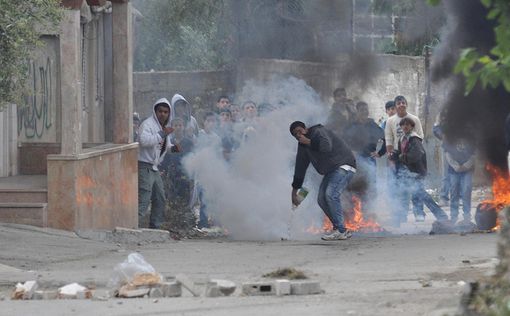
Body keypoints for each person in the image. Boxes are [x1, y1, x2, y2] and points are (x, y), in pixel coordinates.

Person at [290, 121, 357, 241]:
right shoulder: (302, 146)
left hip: (343, 165)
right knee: (321, 199)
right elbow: (300, 167)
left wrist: (309, 142)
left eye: (300, 131)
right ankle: (340, 229)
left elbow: (326, 146)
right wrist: (295, 190)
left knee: (330, 195)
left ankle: (340, 230)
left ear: (305, 128)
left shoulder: (317, 131)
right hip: (331, 171)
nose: (299, 135)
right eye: (296, 134)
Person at [391, 118, 448, 222]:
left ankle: (440, 215)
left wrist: (400, 157)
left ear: (412, 127)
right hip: (407, 172)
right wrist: (395, 155)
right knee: (409, 193)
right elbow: (401, 152)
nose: (405, 127)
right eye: (403, 125)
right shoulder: (402, 139)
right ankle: (408, 217)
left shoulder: (415, 139)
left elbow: (416, 155)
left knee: (421, 194)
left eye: (407, 125)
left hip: (416, 172)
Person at [138, 98, 179, 229]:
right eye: (160, 111)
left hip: (154, 168)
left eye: (166, 112)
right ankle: (133, 226)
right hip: (144, 166)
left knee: (160, 198)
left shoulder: (162, 128)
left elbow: (162, 146)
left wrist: (173, 148)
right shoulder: (147, 124)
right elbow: (144, 141)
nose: (163, 114)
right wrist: (162, 134)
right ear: (155, 112)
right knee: (144, 197)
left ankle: (155, 226)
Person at [384, 95, 425, 223]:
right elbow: (389, 140)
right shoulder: (390, 121)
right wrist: (391, 159)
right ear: (395, 106)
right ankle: (402, 215)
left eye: (403, 102)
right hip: (399, 160)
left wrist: (413, 155)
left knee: (417, 186)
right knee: (401, 188)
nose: (401, 105)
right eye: (398, 103)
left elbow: (420, 137)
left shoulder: (415, 119)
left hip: (414, 160)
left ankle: (419, 213)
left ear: (406, 104)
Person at [343, 101, 386, 203]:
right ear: (357, 111)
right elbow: (342, 141)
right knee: (354, 184)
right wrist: (350, 151)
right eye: (362, 110)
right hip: (353, 160)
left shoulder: (373, 125)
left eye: (366, 109)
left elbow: (386, 139)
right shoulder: (351, 126)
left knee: (370, 185)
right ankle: (354, 209)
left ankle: (369, 209)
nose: (365, 112)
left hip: (369, 159)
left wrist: (380, 153)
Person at [160, 117, 195, 232]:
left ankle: (185, 226)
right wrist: (163, 170)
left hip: (185, 177)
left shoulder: (188, 143)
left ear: (184, 127)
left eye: (180, 125)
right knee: (171, 201)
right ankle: (173, 227)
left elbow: (194, 158)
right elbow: (165, 158)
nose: (178, 128)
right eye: (175, 125)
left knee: (185, 202)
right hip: (171, 177)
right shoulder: (169, 142)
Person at [443, 135, 476, 224]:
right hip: (454, 171)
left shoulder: (471, 138)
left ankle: (467, 217)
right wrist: (456, 166)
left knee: (466, 191)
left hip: (468, 170)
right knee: (454, 192)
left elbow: (474, 155)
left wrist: (466, 166)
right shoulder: (450, 137)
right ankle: (453, 216)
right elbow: (447, 154)